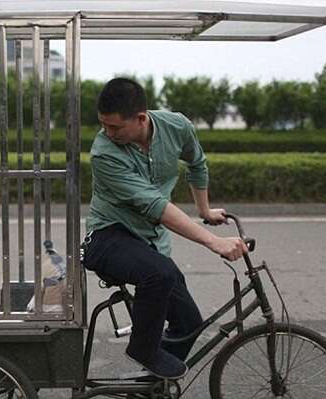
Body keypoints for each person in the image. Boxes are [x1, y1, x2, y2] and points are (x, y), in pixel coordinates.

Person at [82, 78, 248, 379]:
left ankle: (150, 388)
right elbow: (156, 207)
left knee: (188, 323)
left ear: (141, 118)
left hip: (149, 243)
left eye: (115, 127)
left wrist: (204, 210)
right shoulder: (104, 153)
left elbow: (197, 162)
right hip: (107, 236)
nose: (108, 133)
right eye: (104, 125)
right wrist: (214, 241)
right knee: (160, 273)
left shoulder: (177, 127)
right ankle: (143, 349)